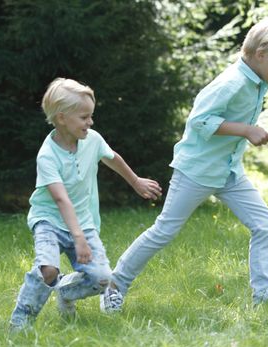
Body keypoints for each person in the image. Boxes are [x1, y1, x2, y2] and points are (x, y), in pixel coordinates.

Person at [100, 18, 268, 313]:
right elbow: (199, 120)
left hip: (229, 172)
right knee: (164, 231)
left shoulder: (257, 81)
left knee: (264, 224)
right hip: (196, 171)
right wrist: (246, 130)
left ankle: (264, 298)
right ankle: (115, 284)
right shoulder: (232, 82)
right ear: (261, 54)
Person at [9, 78, 162, 331]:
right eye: (84, 117)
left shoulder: (92, 139)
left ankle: (66, 292)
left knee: (102, 279)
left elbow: (113, 158)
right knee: (47, 270)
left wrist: (135, 182)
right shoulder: (47, 155)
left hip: (84, 221)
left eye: (91, 116)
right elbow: (60, 199)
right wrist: (77, 237)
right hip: (49, 220)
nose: (90, 122)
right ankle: (21, 322)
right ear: (61, 118)